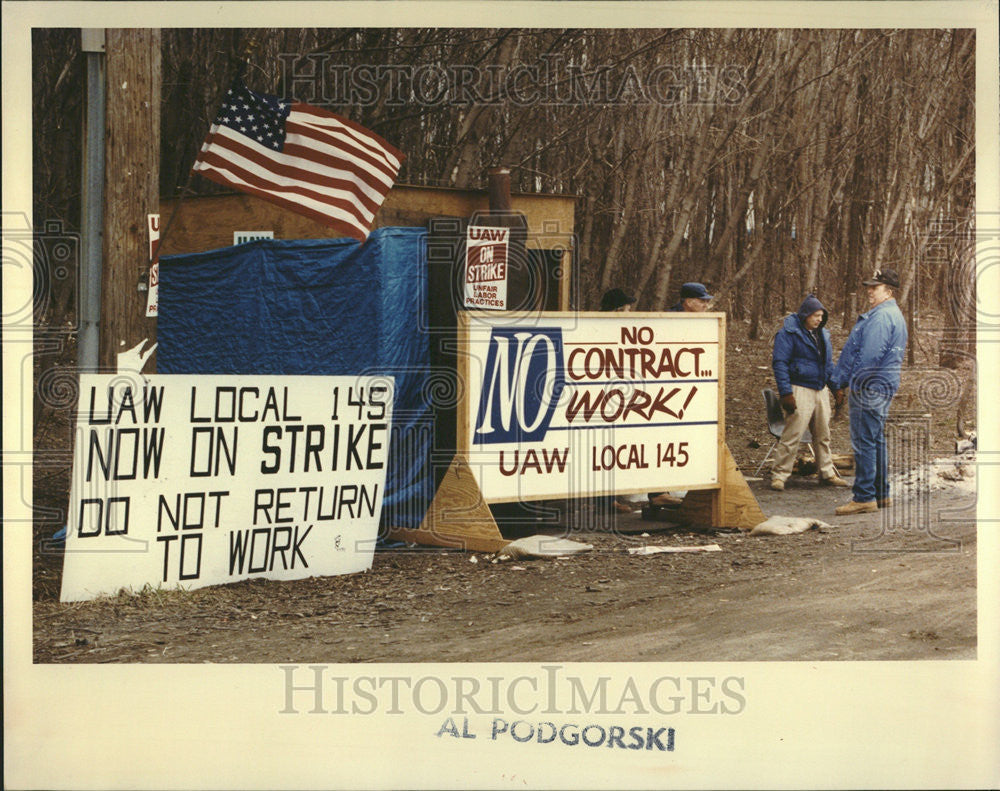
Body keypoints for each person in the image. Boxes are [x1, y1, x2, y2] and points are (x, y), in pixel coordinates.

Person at [831, 268, 908, 515]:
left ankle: (864, 496)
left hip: (869, 385)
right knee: (875, 440)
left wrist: (855, 381)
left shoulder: (881, 317)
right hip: (881, 384)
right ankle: (881, 494)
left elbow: (870, 355)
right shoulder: (891, 314)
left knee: (864, 441)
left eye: (875, 288)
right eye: (869, 287)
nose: (870, 292)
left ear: (889, 291)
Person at [769, 295, 849, 491]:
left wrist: (835, 387)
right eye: (816, 315)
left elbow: (827, 366)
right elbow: (780, 364)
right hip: (799, 388)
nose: (819, 319)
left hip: (820, 389)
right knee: (792, 434)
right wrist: (786, 393)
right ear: (805, 315)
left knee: (823, 434)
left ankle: (827, 473)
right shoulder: (788, 334)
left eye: (821, 316)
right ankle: (779, 475)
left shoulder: (822, 335)